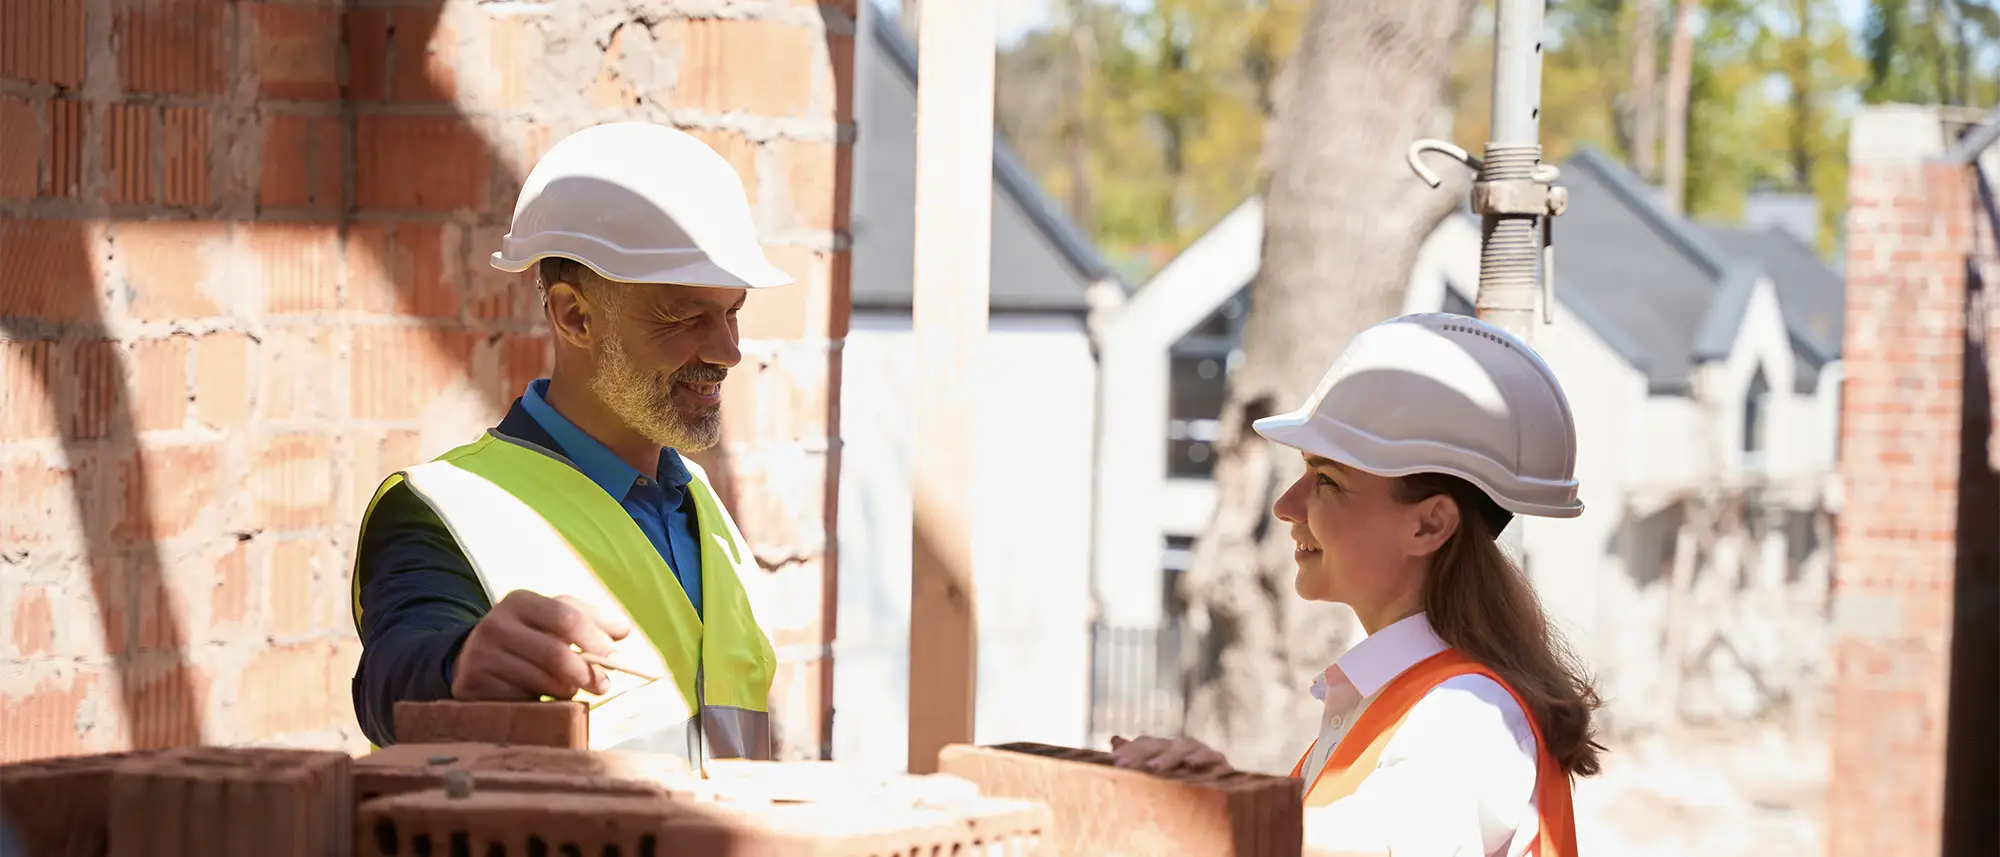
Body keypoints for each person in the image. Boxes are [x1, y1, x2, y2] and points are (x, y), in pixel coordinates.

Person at [349, 122, 793, 763]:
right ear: (575, 315)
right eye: (686, 316)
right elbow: (392, 675)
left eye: (732, 312)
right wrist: (459, 666)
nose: (729, 350)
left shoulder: (703, 512)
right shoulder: (443, 507)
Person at [1109, 313, 1601, 857]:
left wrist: (1231, 810)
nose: (1285, 506)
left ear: (1429, 525)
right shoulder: (1400, 700)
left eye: (1327, 480)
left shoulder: (1467, 709)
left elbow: (1388, 842)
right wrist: (1227, 795)